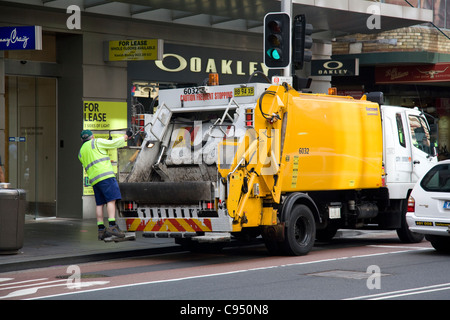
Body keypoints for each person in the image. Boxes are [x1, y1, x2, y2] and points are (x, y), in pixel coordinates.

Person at [78, 130, 128, 240]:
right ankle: (112, 226)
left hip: (95, 180)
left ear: (82, 140)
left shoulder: (80, 152)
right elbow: (113, 144)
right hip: (106, 176)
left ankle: (101, 229)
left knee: (99, 204)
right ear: (92, 136)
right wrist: (125, 137)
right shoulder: (96, 142)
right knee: (111, 200)